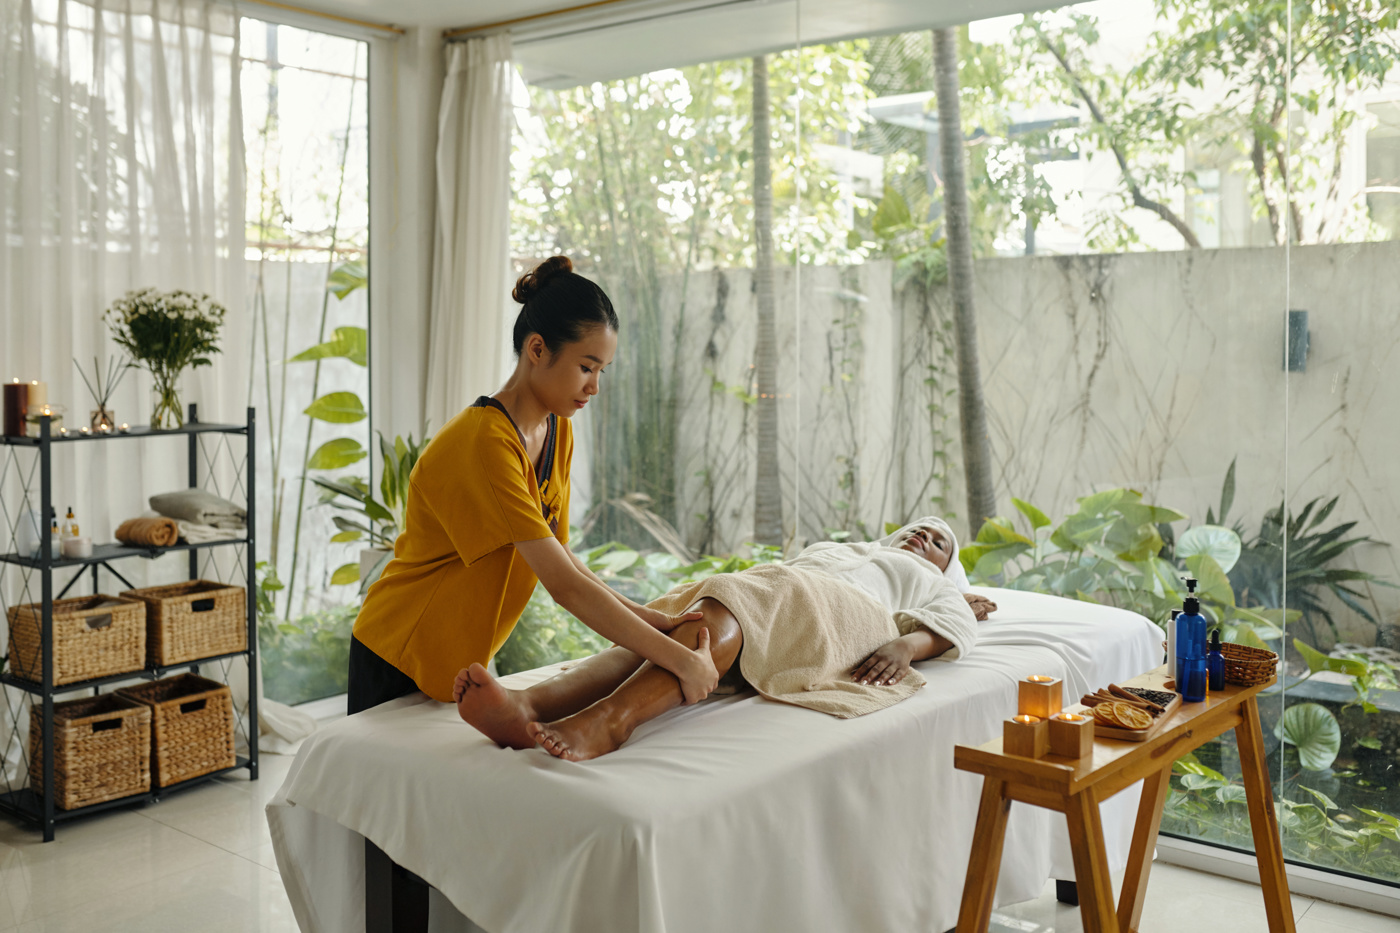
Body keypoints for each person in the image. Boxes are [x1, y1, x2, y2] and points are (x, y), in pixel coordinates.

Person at [347, 256, 719, 715]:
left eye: (603, 371)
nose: (595, 387)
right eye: (587, 367)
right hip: (396, 650)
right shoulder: (484, 442)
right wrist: (680, 659)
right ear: (538, 350)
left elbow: (563, 558)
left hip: (450, 661)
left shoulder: (558, 431)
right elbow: (563, 585)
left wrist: (655, 622)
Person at [453, 517, 998, 761]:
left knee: (751, 595)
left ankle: (610, 722)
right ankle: (530, 704)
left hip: (847, 617)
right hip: (789, 601)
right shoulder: (845, 548)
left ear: (944, 567)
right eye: (918, 529)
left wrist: (908, 646)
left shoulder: (925, 582)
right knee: (682, 623)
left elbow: (957, 623)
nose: (922, 537)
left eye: (938, 543)